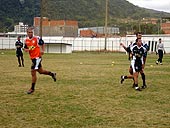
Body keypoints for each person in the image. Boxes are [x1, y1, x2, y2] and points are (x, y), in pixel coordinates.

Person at [24, 27, 56, 94]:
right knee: (41, 71)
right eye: (29, 32)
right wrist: (26, 50)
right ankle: (52, 74)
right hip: (33, 58)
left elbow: (43, 43)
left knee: (33, 72)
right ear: (27, 33)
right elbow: (25, 48)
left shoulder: (36, 38)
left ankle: (32, 89)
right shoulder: (26, 40)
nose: (30, 33)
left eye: (31, 32)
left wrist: (43, 50)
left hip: (37, 57)